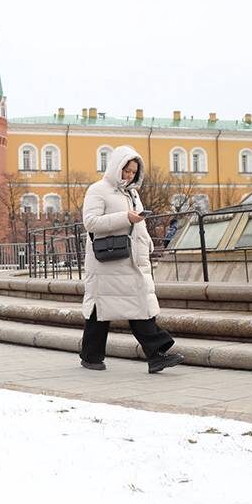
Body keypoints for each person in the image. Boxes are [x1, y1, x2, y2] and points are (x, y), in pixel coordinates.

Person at [80, 145, 184, 374]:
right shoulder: (98, 190)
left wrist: (147, 245)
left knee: (117, 306)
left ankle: (91, 355)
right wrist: (124, 217)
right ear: (116, 167)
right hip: (108, 260)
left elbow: (139, 224)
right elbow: (91, 222)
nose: (129, 175)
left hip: (130, 259)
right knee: (115, 306)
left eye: (133, 172)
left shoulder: (132, 193)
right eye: (126, 170)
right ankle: (155, 352)